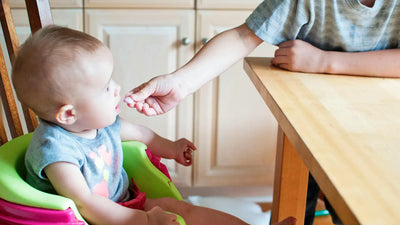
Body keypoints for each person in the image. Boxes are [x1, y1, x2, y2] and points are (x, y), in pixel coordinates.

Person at [124, 0, 400, 224]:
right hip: (309, 123)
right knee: (299, 204)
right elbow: (244, 36)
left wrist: (324, 61)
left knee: (360, 208)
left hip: (378, 133)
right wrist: (180, 83)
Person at [12, 25, 296, 225]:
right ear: (68, 115)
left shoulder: (102, 124)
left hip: (125, 204)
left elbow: (143, 135)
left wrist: (171, 148)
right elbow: (84, 203)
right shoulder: (56, 152)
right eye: (104, 88)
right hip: (88, 219)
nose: (116, 89)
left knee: (182, 209)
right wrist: (146, 220)